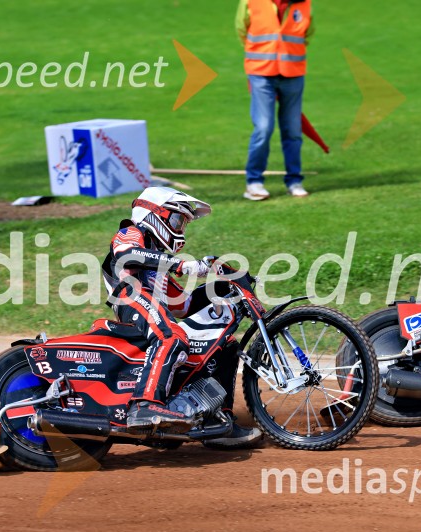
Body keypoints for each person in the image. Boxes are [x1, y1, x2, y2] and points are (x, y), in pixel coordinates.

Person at [102, 187, 262, 448]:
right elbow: (126, 254)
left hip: (153, 307)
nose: (182, 229)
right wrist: (181, 264)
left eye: (184, 223)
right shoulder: (131, 232)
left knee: (226, 346)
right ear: (154, 215)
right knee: (171, 336)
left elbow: (183, 305)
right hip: (129, 298)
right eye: (178, 220)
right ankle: (145, 406)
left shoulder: (159, 270)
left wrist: (220, 287)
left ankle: (217, 421)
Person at [236, 0, 312, 200]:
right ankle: (254, 182)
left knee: (293, 130)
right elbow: (241, 29)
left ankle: (294, 181)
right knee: (263, 128)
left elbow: (307, 33)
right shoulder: (251, 1)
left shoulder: (304, 4)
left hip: (293, 74)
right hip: (261, 72)